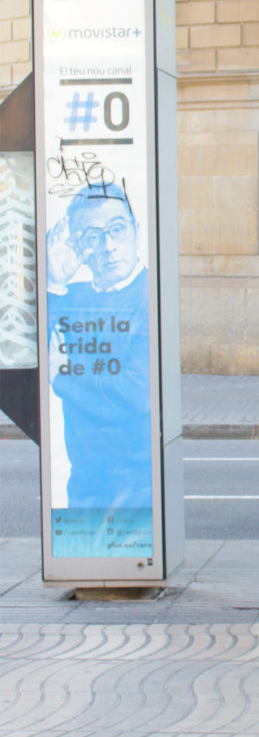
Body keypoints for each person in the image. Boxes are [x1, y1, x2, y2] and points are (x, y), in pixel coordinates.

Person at [46, 182, 152, 513]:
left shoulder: (149, 295)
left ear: (135, 231)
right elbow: (35, 356)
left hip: (136, 485)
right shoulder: (69, 297)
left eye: (116, 229)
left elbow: (136, 393)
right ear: (77, 247)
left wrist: (62, 379)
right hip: (84, 481)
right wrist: (53, 282)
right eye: (93, 236)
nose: (108, 246)